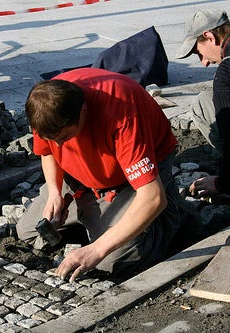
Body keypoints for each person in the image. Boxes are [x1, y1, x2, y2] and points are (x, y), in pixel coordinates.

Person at [16, 67, 189, 280]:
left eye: (65, 138)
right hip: (84, 174)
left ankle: (170, 217)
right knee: (28, 232)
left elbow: (151, 197)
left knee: (112, 260)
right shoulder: (44, 107)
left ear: (83, 111)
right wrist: (54, 192)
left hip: (129, 179)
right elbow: (47, 152)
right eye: (53, 140)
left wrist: (96, 250)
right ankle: (92, 221)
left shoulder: (121, 111)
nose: (58, 145)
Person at [175, 9, 230, 205]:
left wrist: (223, 183)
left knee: (204, 104)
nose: (204, 63)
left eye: (199, 52)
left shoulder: (229, 73)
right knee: (207, 99)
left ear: (209, 36)